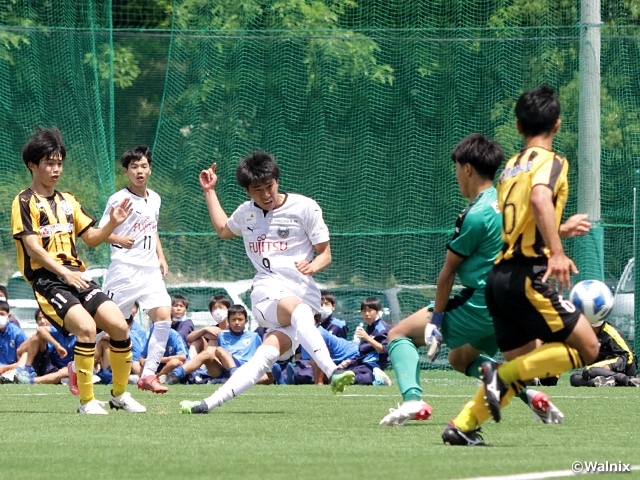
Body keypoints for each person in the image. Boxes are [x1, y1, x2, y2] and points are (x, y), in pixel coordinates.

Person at [442, 86, 599, 446]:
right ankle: (499, 375)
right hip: (529, 275)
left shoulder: (510, 166)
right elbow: (540, 198)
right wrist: (556, 252)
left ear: (517, 126)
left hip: (499, 279)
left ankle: (463, 425)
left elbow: (516, 222)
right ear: (557, 125)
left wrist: (557, 231)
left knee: (525, 364)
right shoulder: (554, 162)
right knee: (589, 349)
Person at [379, 134, 563, 427]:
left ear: (467, 169)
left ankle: (413, 399)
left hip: (481, 303)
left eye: (456, 169)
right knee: (460, 359)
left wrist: (436, 322)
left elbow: (448, 273)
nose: (456, 177)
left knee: (397, 334)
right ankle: (530, 395)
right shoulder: (511, 201)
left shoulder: (474, 215)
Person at [181, 152, 354, 414]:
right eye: (257, 190)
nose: (265, 194)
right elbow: (222, 230)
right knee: (299, 311)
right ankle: (332, 371)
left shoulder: (305, 207)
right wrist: (209, 191)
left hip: (303, 293)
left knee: (264, 358)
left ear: (277, 180)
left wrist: (313, 266)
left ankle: (206, 404)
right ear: (247, 190)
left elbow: (325, 253)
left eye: (269, 186)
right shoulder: (245, 213)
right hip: (267, 291)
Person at [10, 126, 146, 414]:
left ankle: (119, 395)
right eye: (49, 162)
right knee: (85, 329)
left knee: (120, 326)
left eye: (59, 162)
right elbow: (33, 248)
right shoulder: (23, 201)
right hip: (49, 280)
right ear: (33, 165)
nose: (56, 168)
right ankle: (86, 402)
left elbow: (92, 238)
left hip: (76, 274)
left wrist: (111, 223)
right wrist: (64, 273)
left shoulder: (68, 200)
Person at [164, 305, 268, 385]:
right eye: (233, 320)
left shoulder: (254, 336)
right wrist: (205, 329)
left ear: (246, 321)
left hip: (246, 369)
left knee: (267, 377)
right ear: (228, 321)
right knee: (211, 353)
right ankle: (175, 375)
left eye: (240, 320)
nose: (237, 323)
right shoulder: (221, 335)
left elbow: (260, 356)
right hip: (224, 370)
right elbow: (189, 338)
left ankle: (235, 377)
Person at [287, 313, 360, 385]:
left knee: (338, 374)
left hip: (351, 355)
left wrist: (319, 382)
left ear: (315, 319)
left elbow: (322, 358)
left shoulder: (318, 333)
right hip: (335, 358)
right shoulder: (305, 334)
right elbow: (313, 360)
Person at [569, 316, 639, 387]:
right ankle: (598, 382)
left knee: (589, 370)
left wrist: (611, 366)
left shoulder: (612, 332)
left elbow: (628, 355)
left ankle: (627, 379)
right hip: (601, 370)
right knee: (574, 378)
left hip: (621, 367)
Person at [14, 308, 76, 385]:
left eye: (45, 318)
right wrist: (57, 345)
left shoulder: (80, 335)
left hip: (67, 369)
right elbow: (19, 351)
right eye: (39, 319)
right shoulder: (56, 330)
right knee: (35, 339)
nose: (43, 321)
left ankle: (30, 380)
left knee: (65, 371)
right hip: (48, 364)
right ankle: (26, 371)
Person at [0, 301, 28, 379]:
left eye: (2, 314)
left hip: (15, 370)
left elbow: (23, 361)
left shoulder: (17, 334)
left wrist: (4, 369)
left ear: (8, 317)